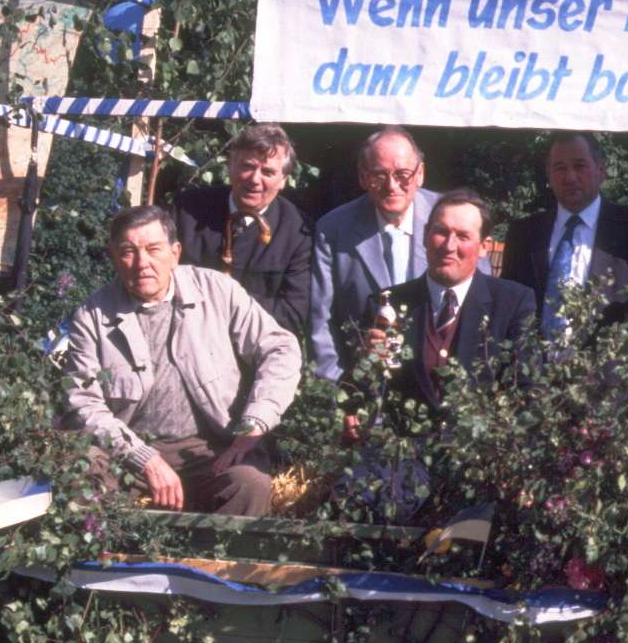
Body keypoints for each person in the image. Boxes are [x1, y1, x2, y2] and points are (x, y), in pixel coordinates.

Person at [62, 205, 301, 517]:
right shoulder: (92, 315)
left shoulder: (217, 290)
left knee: (250, 484)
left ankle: (215, 552)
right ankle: (111, 549)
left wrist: (257, 420)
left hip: (211, 449)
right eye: (128, 252)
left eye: (153, 249)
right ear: (114, 257)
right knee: (80, 475)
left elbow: (280, 347)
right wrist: (143, 458)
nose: (142, 263)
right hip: (128, 452)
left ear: (175, 253)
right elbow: (82, 400)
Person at [353, 191, 537, 424]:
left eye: (463, 236)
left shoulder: (513, 303)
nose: (449, 246)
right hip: (402, 444)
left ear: (484, 246)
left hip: (482, 444)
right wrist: (368, 363)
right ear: (424, 236)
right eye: (441, 232)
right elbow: (362, 393)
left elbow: (525, 391)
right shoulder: (387, 304)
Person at [500, 133, 628, 331]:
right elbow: (506, 306)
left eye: (580, 166)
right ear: (549, 175)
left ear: (600, 171)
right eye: (560, 168)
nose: (570, 177)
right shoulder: (523, 233)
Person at [309, 126, 439, 380]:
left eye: (402, 174)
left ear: (420, 173)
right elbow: (320, 319)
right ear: (362, 177)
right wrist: (339, 387)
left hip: (437, 380)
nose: (392, 185)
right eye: (379, 175)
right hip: (362, 380)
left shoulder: (451, 218)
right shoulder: (333, 229)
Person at [172, 123, 313, 336]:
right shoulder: (186, 209)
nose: (255, 179)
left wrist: (226, 299)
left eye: (267, 172)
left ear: (283, 180)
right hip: (186, 335)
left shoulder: (299, 233)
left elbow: (292, 314)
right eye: (247, 166)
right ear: (231, 166)